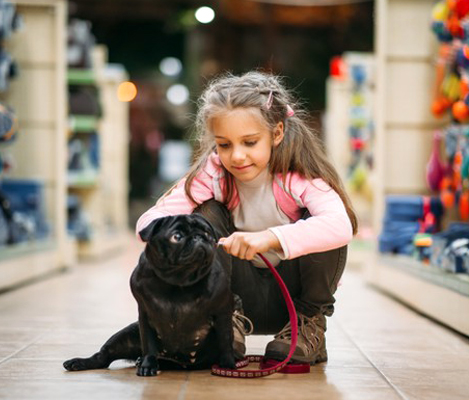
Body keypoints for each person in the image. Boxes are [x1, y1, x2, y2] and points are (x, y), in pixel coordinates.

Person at [135, 71, 357, 364]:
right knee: (204, 214)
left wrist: (269, 238)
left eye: (249, 142)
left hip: (291, 298)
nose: (237, 156)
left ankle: (308, 324)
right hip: (229, 299)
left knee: (325, 224)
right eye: (225, 145)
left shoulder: (299, 176)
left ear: (276, 133)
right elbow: (149, 223)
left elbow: (341, 225)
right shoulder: (212, 173)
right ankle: (225, 326)